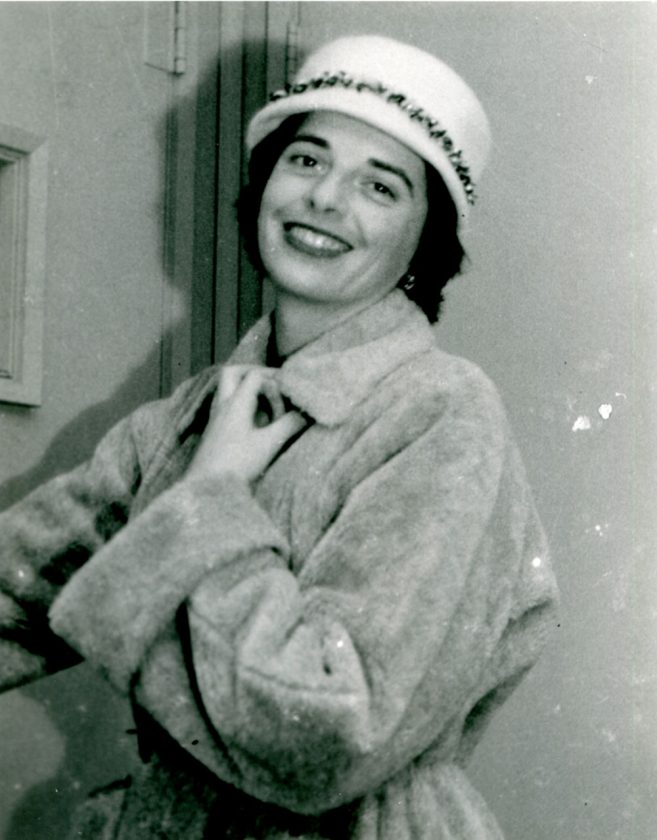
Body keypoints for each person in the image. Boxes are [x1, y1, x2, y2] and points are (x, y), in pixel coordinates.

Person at [0, 35, 558, 839]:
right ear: (264, 182)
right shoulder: (189, 418)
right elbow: (21, 584)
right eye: (305, 160)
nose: (325, 198)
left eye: (379, 185)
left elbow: (329, 739)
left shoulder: (444, 413)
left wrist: (212, 498)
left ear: (424, 238)